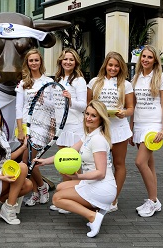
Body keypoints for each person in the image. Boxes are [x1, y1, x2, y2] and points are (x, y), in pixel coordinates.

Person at [34, 100, 116, 238]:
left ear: (101, 119)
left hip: (102, 186)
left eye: (93, 116)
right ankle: (96, 209)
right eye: (87, 114)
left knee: (57, 199)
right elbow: (68, 152)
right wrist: (44, 161)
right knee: (61, 187)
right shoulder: (90, 135)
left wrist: (78, 177)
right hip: (93, 183)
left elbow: (101, 173)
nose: (88, 118)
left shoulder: (98, 140)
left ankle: (93, 216)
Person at [87, 51, 134, 213]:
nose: (113, 68)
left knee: (118, 164)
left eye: (116, 66)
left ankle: (114, 198)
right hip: (99, 130)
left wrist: (124, 113)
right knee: (97, 164)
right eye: (110, 65)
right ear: (105, 65)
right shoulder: (94, 82)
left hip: (119, 129)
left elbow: (130, 108)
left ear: (121, 68)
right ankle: (97, 195)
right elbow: (89, 106)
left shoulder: (126, 85)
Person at [130, 45, 163, 217]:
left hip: (153, 125)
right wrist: (131, 127)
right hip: (139, 124)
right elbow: (135, 104)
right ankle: (155, 200)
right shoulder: (136, 77)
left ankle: (152, 201)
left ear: (155, 60)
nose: (145, 59)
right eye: (143, 56)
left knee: (140, 162)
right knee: (149, 163)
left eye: (149, 57)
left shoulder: (161, 77)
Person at [50, 48, 87, 214]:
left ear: (76, 62)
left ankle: (78, 199)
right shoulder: (58, 78)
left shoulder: (78, 80)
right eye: (65, 59)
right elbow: (56, 105)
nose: (68, 62)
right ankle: (66, 198)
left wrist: (71, 100)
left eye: (71, 60)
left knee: (74, 166)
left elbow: (84, 106)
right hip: (61, 128)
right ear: (61, 61)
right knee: (63, 165)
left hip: (74, 127)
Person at [15, 48, 52, 206]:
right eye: (31, 60)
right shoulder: (23, 83)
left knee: (29, 160)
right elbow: (19, 108)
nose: (34, 63)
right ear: (27, 63)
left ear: (40, 62)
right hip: (27, 126)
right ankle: (37, 192)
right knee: (27, 160)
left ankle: (41, 188)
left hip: (42, 125)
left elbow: (53, 107)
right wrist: (21, 129)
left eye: (36, 60)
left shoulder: (48, 82)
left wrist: (45, 100)